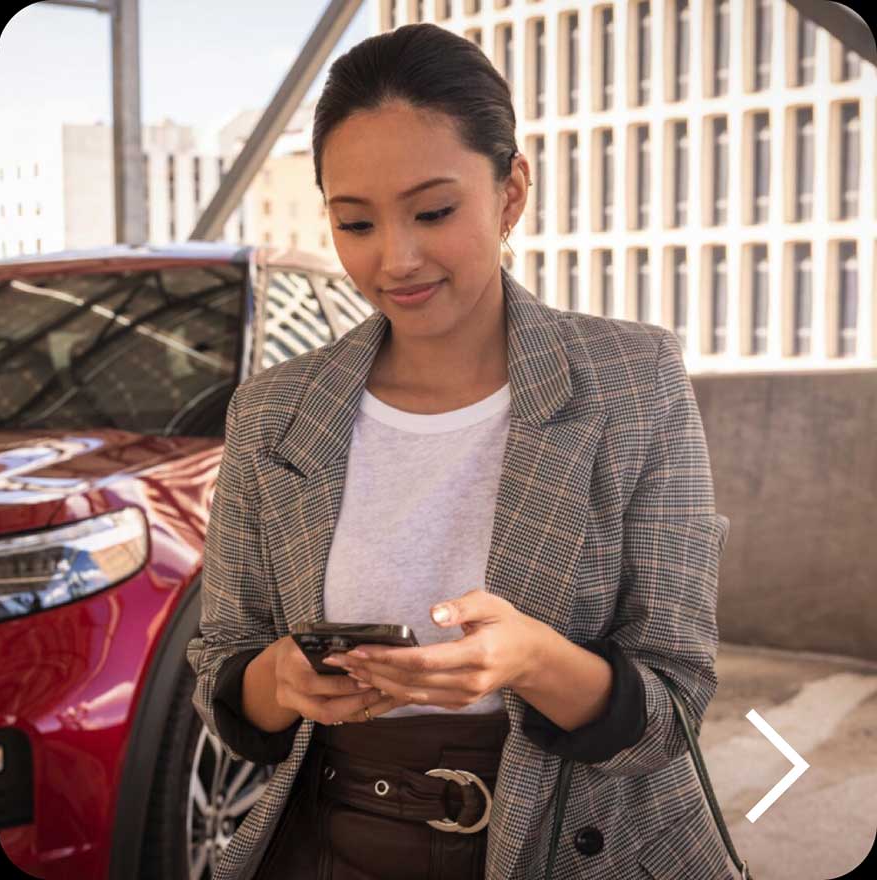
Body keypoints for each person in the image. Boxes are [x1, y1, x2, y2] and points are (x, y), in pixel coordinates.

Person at [186, 21, 734, 880]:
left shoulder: (634, 380)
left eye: (434, 212)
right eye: (355, 222)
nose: (395, 259)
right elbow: (224, 673)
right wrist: (280, 681)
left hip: (570, 844)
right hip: (331, 842)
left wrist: (537, 661)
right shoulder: (274, 412)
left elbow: (672, 711)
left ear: (511, 191)